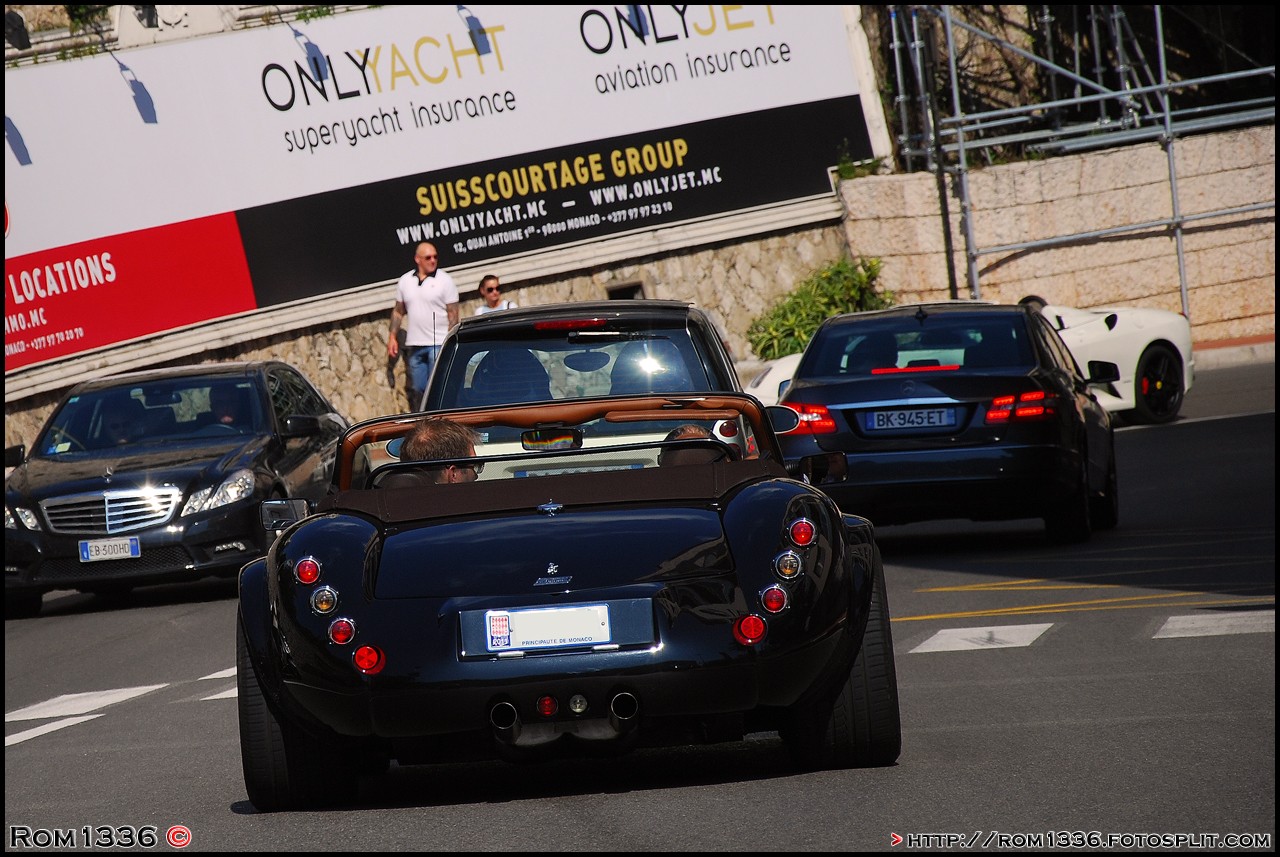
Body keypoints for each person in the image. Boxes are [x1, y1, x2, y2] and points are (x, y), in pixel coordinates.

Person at [387, 242, 459, 410]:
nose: (433, 260)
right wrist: (392, 337)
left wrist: (449, 341)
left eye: (435, 256)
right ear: (417, 259)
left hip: (438, 343)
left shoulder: (444, 280)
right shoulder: (405, 281)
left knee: (437, 387)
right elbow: (398, 311)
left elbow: (453, 314)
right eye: (428, 257)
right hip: (415, 344)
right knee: (418, 388)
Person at [398, 417, 482, 483]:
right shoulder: (468, 504)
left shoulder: (391, 502)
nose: (476, 476)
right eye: (474, 466)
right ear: (453, 475)